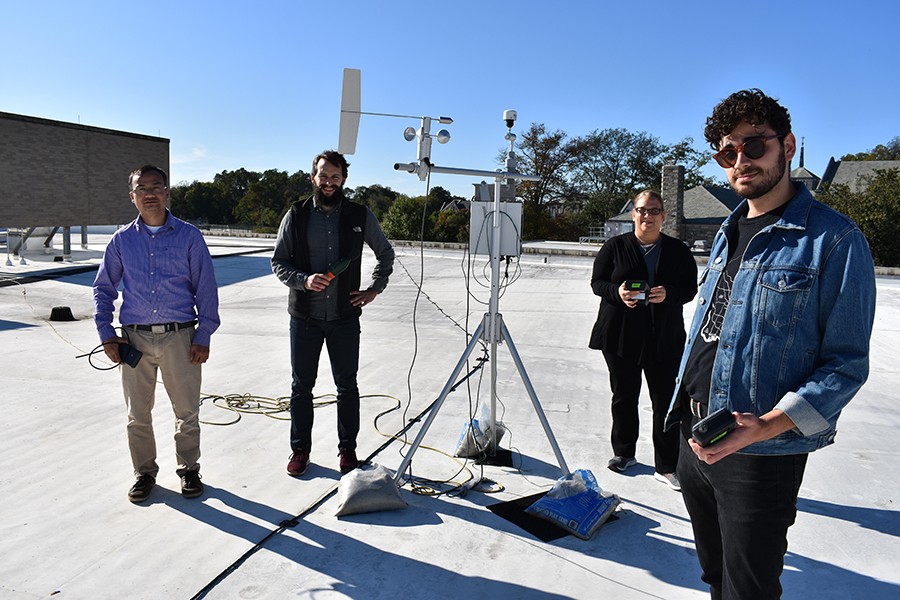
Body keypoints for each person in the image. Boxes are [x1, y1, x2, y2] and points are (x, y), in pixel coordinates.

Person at [665, 89, 876, 599]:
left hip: (760, 452)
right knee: (715, 577)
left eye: (754, 145)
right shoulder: (728, 230)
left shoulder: (834, 241)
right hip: (694, 435)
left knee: (750, 590)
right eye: (726, 152)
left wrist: (767, 426)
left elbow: (845, 365)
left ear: (787, 145)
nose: (740, 161)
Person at [93, 165, 220, 503]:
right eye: (141, 188)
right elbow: (103, 289)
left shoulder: (189, 236)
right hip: (134, 339)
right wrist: (107, 333)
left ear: (167, 193)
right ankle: (144, 473)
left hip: (181, 337)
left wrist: (204, 334)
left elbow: (205, 288)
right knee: (138, 414)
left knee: (187, 411)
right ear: (132, 195)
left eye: (156, 186)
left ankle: (189, 469)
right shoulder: (121, 240)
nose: (149, 193)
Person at [272, 150, 394, 477]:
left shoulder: (359, 215)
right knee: (301, 387)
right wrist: (303, 280)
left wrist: (374, 289)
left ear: (344, 179)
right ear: (313, 178)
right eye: (323, 176)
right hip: (304, 319)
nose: (328, 182)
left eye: (335, 177)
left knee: (347, 387)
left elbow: (385, 253)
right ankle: (300, 450)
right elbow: (278, 261)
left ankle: (348, 450)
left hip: (343, 318)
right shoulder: (295, 215)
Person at [589, 190, 698, 490]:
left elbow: (690, 289)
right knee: (624, 396)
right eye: (641, 210)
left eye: (654, 210)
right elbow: (597, 283)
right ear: (633, 214)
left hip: (664, 337)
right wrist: (618, 293)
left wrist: (669, 295)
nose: (647, 216)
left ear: (664, 215)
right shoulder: (614, 247)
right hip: (620, 336)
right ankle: (623, 453)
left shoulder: (678, 251)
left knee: (664, 400)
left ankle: (667, 466)